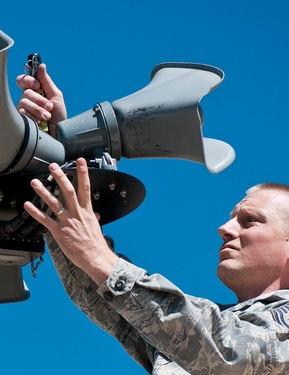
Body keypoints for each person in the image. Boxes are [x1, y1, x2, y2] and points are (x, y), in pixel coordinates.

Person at [16, 64, 289, 374]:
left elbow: (228, 352)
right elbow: (106, 296)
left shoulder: (226, 336)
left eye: (250, 221)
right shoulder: (189, 338)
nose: (225, 229)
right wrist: (56, 152)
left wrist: (103, 260)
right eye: (232, 219)